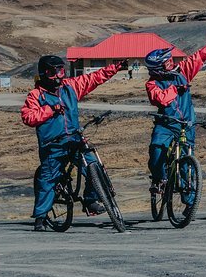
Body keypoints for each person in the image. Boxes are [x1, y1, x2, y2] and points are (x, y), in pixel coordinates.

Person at [21, 55, 127, 231]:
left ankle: (91, 200)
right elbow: (28, 117)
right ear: (43, 74)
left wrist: (115, 67)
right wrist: (49, 110)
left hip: (75, 139)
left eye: (61, 71)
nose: (58, 76)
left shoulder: (70, 87)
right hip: (52, 144)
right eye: (52, 72)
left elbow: (93, 78)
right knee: (48, 179)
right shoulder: (35, 95)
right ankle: (40, 217)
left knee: (94, 166)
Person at [145, 34, 206, 211]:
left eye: (170, 59)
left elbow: (198, 57)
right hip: (166, 125)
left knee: (186, 164)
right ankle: (159, 178)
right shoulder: (152, 84)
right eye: (167, 61)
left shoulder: (182, 71)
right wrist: (174, 89)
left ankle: (189, 201)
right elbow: (160, 99)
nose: (171, 62)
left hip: (187, 125)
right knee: (156, 151)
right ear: (159, 67)